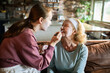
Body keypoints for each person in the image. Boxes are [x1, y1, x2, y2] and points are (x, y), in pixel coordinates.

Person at [0, 1, 62, 73]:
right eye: (49, 19)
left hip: (8, 64)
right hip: (9, 68)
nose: (50, 23)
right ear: (41, 20)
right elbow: (41, 65)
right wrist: (52, 44)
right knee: (36, 70)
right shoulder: (26, 35)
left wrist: (38, 47)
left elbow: (24, 47)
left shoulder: (24, 28)